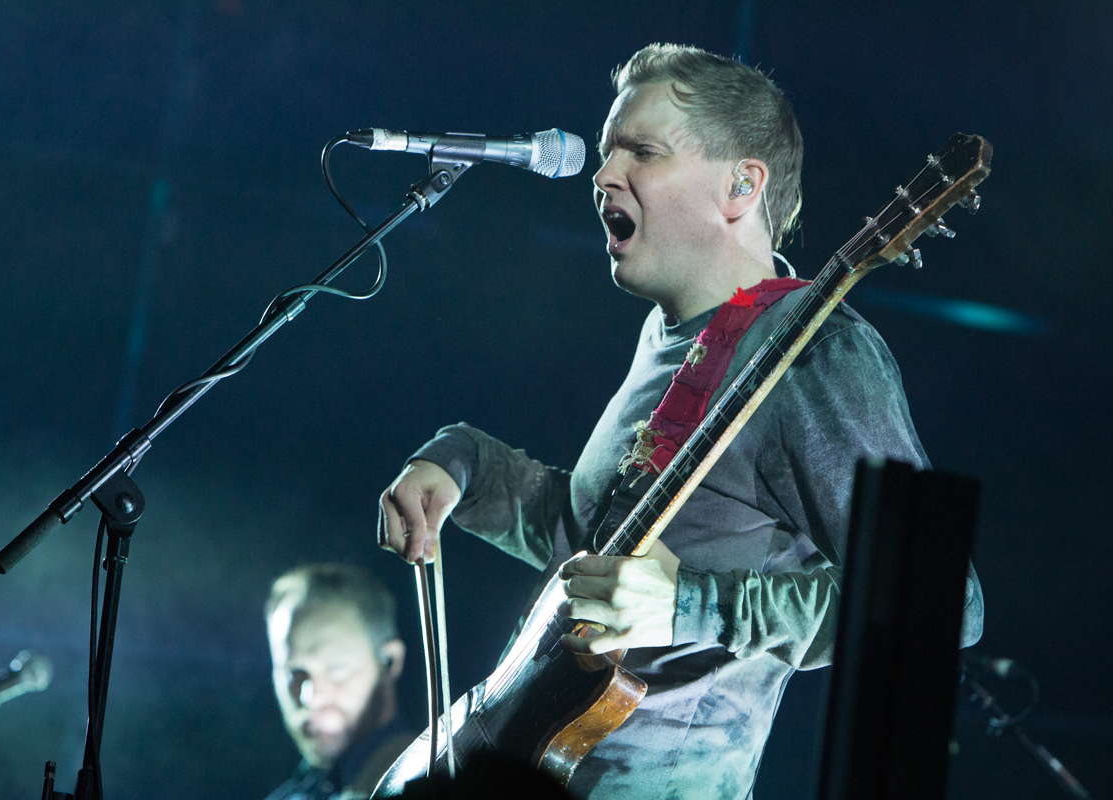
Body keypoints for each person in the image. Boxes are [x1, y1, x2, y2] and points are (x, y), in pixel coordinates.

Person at [377, 43, 984, 799]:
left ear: (740, 185)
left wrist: (688, 604)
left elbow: (941, 605)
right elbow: (585, 552)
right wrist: (459, 463)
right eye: (606, 153)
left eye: (642, 151)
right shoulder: (673, 339)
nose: (602, 176)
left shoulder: (816, 355)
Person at [263, 563, 413, 800]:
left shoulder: (433, 777)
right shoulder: (298, 791)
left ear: (389, 661)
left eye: (336, 668)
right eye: (293, 672)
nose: (309, 697)